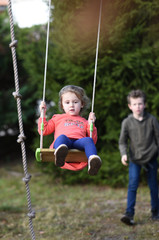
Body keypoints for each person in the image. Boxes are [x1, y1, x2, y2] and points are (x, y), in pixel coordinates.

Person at [38, 85, 102, 175]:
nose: (71, 105)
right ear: (62, 105)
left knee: (88, 140)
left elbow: (93, 140)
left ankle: (93, 161)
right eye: (67, 102)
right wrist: (42, 115)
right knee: (62, 137)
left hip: (78, 144)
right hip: (64, 142)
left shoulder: (85, 121)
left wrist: (92, 124)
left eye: (75, 102)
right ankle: (60, 153)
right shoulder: (57, 118)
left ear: (82, 104)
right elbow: (43, 130)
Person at [119, 89, 159, 225]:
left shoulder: (152, 120)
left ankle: (156, 212)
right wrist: (124, 154)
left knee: (153, 186)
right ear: (130, 106)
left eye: (140, 104)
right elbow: (122, 141)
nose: (138, 107)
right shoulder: (127, 122)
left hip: (151, 157)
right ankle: (129, 214)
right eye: (134, 104)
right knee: (133, 185)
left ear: (145, 104)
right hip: (135, 159)